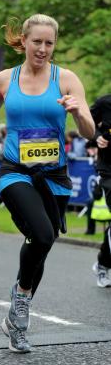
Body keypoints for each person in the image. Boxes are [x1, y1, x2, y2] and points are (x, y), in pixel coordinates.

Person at [0, 14, 95, 353]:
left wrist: (79, 112)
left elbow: (89, 132)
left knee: (44, 241)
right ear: (23, 41)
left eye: (49, 43)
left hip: (54, 176)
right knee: (41, 234)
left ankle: (16, 317)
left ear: (55, 45)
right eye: (36, 41)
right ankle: (22, 301)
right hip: (15, 172)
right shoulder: (3, 80)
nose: (42, 49)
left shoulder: (66, 79)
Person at [89, 94, 111, 288]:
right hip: (109, 169)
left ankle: (103, 262)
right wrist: (97, 137)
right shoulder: (105, 102)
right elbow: (87, 123)